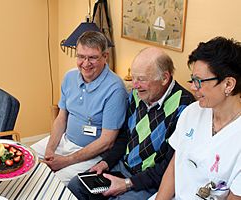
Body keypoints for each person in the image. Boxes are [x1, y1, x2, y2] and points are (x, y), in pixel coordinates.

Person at [68, 47, 195, 200]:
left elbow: (169, 166)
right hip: (123, 167)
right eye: (133, 78)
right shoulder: (137, 94)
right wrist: (106, 163)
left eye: (141, 79)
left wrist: (127, 183)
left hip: (150, 181)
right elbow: (124, 136)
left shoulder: (185, 108)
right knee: (76, 185)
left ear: (164, 78)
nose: (134, 85)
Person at [31, 31, 128, 185]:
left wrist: (66, 161)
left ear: (105, 56)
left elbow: (107, 141)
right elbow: (61, 118)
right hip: (65, 141)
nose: (86, 63)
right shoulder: (69, 77)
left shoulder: (116, 89)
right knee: (27, 160)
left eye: (92, 57)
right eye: (81, 56)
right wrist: (50, 150)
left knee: (51, 184)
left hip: (92, 155)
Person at [154, 37, 241, 200]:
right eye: (192, 79)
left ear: (228, 84)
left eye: (199, 81)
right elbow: (174, 167)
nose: (192, 87)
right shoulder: (192, 112)